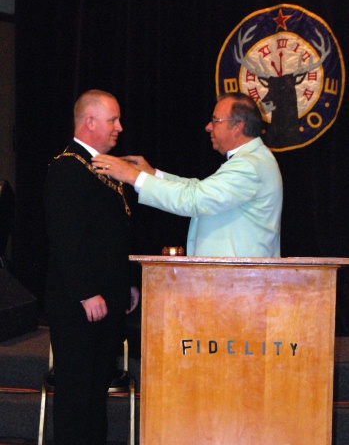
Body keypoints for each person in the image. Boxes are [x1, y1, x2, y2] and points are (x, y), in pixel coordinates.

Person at [44, 89, 139, 445]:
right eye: (113, 119)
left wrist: (125, 282)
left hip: (107, 299)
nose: (119, 127)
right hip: (79, 304)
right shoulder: (67, 167)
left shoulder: (103, 167)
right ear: (90, 122)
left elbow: (111, 238)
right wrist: (86, 292)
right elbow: (66, 238)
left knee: (95, 392)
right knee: (76, 393)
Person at [92, 92, 283, 257]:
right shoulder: (253, 159)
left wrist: (132, 176)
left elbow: (195, 200)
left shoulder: (249, 165)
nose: (209, 126)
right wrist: (152, 174)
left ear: (238, 126)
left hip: (237, 285)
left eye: (216, 120)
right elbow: (199, 189)